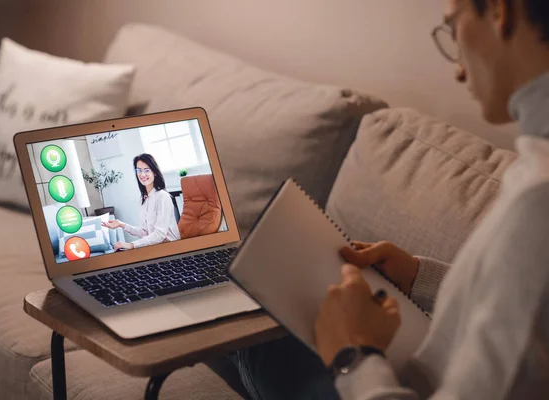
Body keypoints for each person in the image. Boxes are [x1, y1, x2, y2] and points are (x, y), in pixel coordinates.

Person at [225, 0, 549, 398]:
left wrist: (355, 354)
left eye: (453, 29)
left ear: (500, 13)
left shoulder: (538, 202)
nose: (458, 68)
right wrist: (417, 276)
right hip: (407, 364)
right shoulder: (536, 166)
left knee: (254, 340)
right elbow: (521, 302)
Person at [102, 153, 180, 249]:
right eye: (139, 170)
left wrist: (131, 244)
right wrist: (121, 224)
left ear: (154, 172)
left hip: (171, 248)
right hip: (154, 248)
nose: (142, 174)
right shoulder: (143, 200)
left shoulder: (163, 197)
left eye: (147, 170)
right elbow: (145, 233)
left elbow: (159, 234)